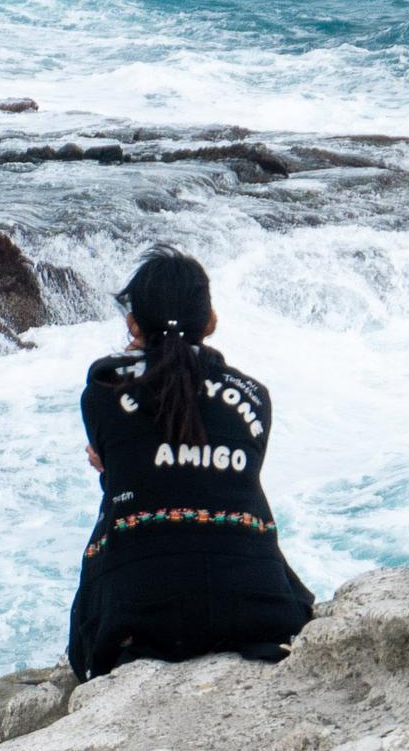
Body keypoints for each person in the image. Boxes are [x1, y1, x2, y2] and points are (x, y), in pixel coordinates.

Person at [66, 249, 315, 681]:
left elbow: (131, 468)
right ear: (211, 321)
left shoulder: (102, 390)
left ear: (133, 324)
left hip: (135, 619)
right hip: (261, 607)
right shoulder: (255, 396)